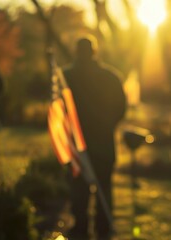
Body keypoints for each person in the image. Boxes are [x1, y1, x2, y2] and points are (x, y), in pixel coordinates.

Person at [64, 36, 126, 239]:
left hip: (76, 144)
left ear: (76, 52)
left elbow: (58, 109)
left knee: (79, 188)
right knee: (103, 187)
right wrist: (107, 125)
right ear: (94, 52)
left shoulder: (66, 77)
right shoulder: (110, 77)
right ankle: (103, 228)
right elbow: (121, 108)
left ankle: (80, 227)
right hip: (103, 143)